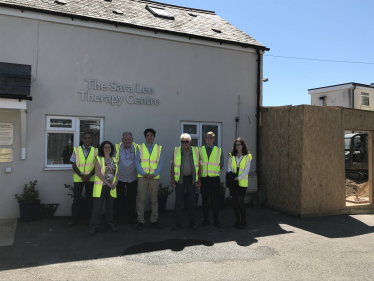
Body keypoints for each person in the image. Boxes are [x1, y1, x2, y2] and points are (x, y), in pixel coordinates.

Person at [66, 132, 97, 227]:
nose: (87, 139)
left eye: (89, 138)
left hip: (90, 179)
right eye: (85, 138)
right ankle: (73, 219)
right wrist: (82, 176)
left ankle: (90, 220)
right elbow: (74, 164)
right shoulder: (76, 150)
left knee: (90, 200)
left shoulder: (96, 151)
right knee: (76, 200)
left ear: (91, 139)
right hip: (78, 179)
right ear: (82, 139)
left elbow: (97, 165)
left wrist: (88, 176)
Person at [171, 133, 201, 231]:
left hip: (191, 180)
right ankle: (177, 224)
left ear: (190, 142)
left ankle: (192, 224)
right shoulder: (176, 151)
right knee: (178, 203)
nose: (184, 143)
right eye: (182, 142)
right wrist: (172, 180)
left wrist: (199, 179)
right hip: (180, 180)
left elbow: (199, 167)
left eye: (186, 141)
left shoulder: (196, 151)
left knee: (192, 203)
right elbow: (172, 166)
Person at [135, 128, 163, 230]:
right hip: (142, 177)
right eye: (148, 135)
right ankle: (140, 221)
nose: (149, 137)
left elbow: (160, 163)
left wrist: (154, 174)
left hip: (154, 178)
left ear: (154, 137)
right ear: (145, 137)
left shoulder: (159, 148)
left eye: (151, 135)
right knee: (141, 200)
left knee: (154, 200)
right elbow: (137, 162)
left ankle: (154, 220)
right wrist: (144, 174)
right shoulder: (140, 147)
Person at [88, 141, 119, 235]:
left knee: (110, 207)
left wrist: (115, 184)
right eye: (105, 147)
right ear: (102, 149)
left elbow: (117, 173)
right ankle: (93, 227)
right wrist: (108, 184)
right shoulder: (98, 159)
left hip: (112, 187)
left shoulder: (114, 159)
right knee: (97, 208)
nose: (107, 149)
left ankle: (110, 225)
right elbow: (98, 173)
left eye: (109, 147)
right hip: (101, 187)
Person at [199, 131, 224, 228]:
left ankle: (216, 220)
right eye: (208, 137)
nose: (209, 139)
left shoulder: (219, 150)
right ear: (205, 138)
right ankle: (206, 219)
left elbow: (221, 164)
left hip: (214, 179)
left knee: (215, 200)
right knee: (205, 200)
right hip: (204, 178)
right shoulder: (200, 150)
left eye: (211, 137)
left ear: (214, 139)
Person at [113, 132, 138, 225]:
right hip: (120, 177)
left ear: (132, 139)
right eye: (125, 140)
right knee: (118, 198)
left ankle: (132, 217)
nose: (127, 141)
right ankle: (116, 218)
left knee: (132, 198)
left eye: (129, 140)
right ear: (122, 139)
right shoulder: (116, 147)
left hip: (132, 177)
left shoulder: (137, 147)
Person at [228, 138, 252, 229]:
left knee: (240, 202)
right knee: (234, 202)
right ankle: (237, 221)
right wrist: (232, 176)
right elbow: (229, 167)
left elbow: (246, 170)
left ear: (243, 145)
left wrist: (239, 177)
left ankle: (243, 221)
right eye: (236, 145)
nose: (238, 146)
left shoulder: (247, 156)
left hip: (242, 182)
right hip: (233, 181)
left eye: (239, 144)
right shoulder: (231, 155)